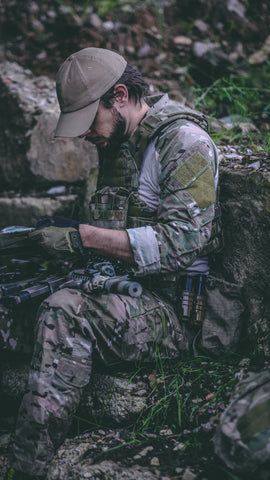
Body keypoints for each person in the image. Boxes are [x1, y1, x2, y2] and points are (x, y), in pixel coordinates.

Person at [6, 47, 221, 479]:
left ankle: (25, 468)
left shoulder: (184, 143)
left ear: (119, 96)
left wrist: (82, 238)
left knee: (64, 312)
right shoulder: (118, 143)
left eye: (90, 122)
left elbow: (184, 244)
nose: (86, 135)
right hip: (118, 288)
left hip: (173, 309)